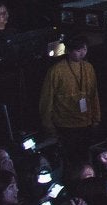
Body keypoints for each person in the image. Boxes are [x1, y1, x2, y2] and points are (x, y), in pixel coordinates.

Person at [37, 34, 101, 165]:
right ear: (69, 51)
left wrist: (96, 118)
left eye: (84, 49)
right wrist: (49, 126)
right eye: (78, 50)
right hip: (65, 125)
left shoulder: (88, 67)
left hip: (86, 123)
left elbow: (94, 95)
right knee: (70, 162)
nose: (82, 53)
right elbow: (46, 100)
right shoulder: (56, 71)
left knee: (86, 160)